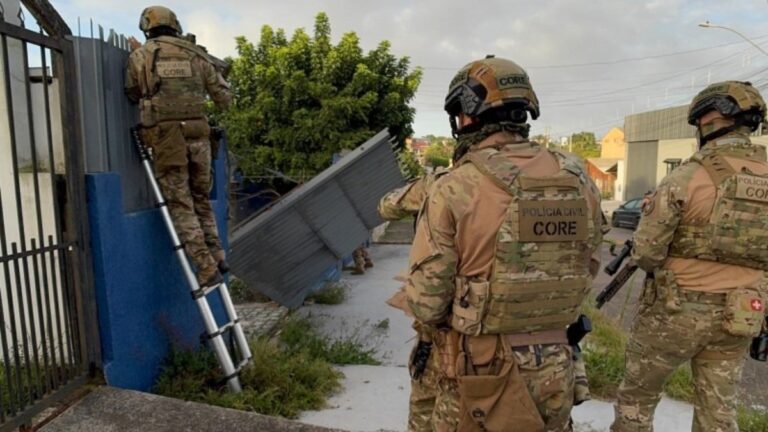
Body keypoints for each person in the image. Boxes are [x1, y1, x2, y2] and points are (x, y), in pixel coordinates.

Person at [406, 55, 606, 432]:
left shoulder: (454, 188)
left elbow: (428, 303)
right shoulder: (579, 179)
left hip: (479, 373)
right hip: (556, 367)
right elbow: (588, 265)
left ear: (466, 115)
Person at [611, 81, 768, 432]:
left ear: (711, 120)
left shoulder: (688, 175)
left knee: (637, 401)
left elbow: (648, 253)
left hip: (675, 311)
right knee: (719, 412)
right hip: (740, 314)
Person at [125, 5, 231, 288]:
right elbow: (224, 98)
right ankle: (218, 254)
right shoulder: (197, 55)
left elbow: (132, 92)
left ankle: (206, 267)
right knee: (201, 198)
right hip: (199, 136)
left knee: (181, 203)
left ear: (146, 26)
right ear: (175, 25)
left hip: (167, 139)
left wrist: (138, 57)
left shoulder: (141, 55)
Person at [378, 167, 449, 432]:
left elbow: (387, 207)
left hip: (450, 346)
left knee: (428, 415)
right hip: (542, 356)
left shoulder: (445, 183)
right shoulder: (566, 179)